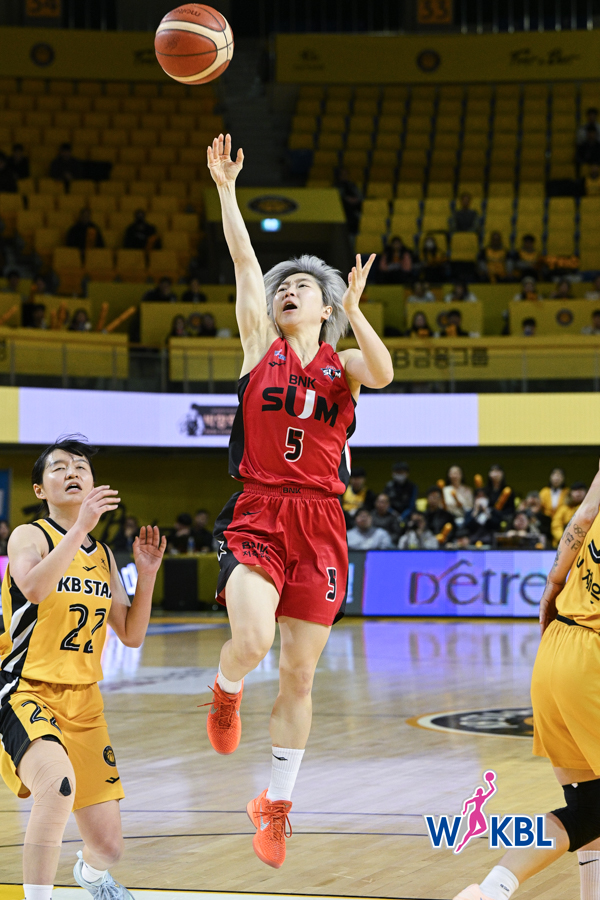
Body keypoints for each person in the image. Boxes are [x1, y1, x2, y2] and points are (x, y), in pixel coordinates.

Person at [206, 133, 393, 868]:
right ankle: (226, 688)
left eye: (303, 288)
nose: (289, 292)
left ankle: (275, 807)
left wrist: (357, 309)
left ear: (326, 306)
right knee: (253, 643)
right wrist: (227, 191)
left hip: (321, 524)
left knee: (300, 674)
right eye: (285, 288)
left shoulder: (343, 364)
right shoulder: (260, 347)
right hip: (259, 510)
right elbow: (244, 265)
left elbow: (382, 372)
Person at [0, 436, 165, 900]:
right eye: (59, 467)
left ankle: (91, 876)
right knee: (57, 786)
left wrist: (147, 574)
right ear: (40, 489)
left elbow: (131, 633)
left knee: (109, 847)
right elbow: (34, 588)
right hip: (24, 689)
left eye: (81, 467)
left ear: (92, 484)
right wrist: (78, 529)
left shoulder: (104, 555)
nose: (72, 472)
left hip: (85, 702)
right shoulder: (30, 536)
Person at [453, 465, 600, 900]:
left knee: (588, 809)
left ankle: (491, 889)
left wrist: (554, 582)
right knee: (591, 813)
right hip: (592, 660)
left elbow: (584, 514)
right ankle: (492, 891)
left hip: (557, 642)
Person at [551, 481, 587, 546]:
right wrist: (564, 539)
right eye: (575, 490)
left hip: (585, 543)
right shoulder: (563, 509)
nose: (578, 493)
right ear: (570, 493)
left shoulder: (591, 509)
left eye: (581, 490)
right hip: (563, 544)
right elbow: (556, 526)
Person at [337, 167, 362, 235]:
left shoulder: (352, 184)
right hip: (344, 206)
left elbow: (359, 195)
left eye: (346, 174)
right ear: (339, 176)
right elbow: (338, 196)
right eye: (343, 174)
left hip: (355, 203)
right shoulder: (336, 185)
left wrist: (356, 199)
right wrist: (347, 199)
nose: (344, 176)